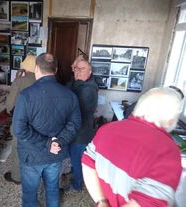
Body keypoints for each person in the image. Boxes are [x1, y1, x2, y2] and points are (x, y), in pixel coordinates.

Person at [82, 87, 184, 207]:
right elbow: (149, 201)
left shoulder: (107, 129)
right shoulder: (167, 150)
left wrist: (101, 201)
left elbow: (87, 161)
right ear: (171, 118)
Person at [12, 53, 81, 207]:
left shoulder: (26, 96)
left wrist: (46, 143)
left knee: (30, 194)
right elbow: (75, 123)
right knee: (52, 189)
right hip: (55, 154)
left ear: (37, 68)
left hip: (32, 155)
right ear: (55, 70)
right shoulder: (70, 95)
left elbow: (18, 129)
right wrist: (57, 142)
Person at [63, 56, 99, 192]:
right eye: (76, 69)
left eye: (82, 69)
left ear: (90, 72)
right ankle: (74, 173)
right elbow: (69, 86)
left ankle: (77, 185)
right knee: (74, 157)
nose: (78, 71)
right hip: (76, 130)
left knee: (78, 160)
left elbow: (71, 105)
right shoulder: (80, 83)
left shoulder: (87, 89)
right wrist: (74, 69)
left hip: (81, 133)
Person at [4, 55, 36, 184]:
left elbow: (9, 106)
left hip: (21, 121)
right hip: (37, 122)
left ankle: (17, 177)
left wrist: (16, 80)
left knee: (17, 148)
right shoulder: (41, 79)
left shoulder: (20, 81)